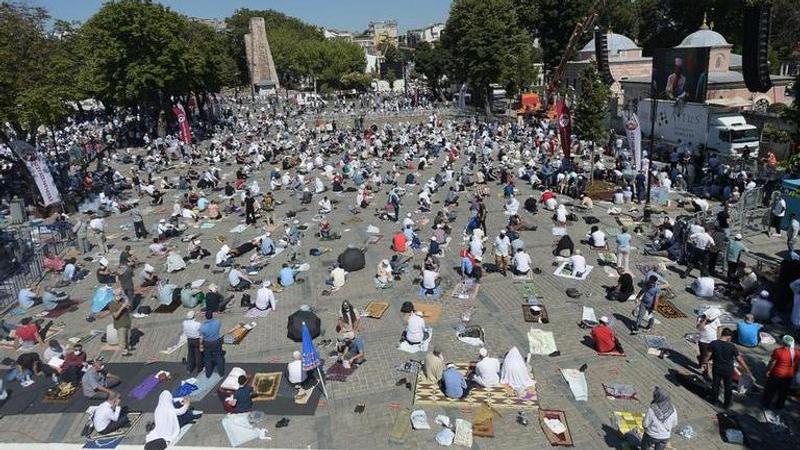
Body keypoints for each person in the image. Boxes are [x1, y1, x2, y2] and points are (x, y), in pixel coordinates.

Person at [709, 328, 750, 409]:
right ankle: (726, 404)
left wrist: (705, 362)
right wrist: (746, 368)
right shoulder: (731, 346)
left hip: (717, 368)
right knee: (728, 387)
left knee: (715, 385)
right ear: (728, 337)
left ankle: (715, 401)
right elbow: (739, 359)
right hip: (728, 369)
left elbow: (708, 354)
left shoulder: (713, 343)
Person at [762, 335, 800, 410]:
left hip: (777, 374)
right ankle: (779, 405)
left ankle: (766, 403)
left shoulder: (778, 351)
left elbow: (772, 362)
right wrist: (794, 371)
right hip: (789, 375)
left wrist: (768, 370)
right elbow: (796, 364)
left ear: (783, 342)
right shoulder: (797, 353)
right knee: (783, 391)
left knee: (771, 389)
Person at [696, 308, 721, 379]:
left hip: (713, 341)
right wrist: (705, 320)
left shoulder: (716, 319)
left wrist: (718, 338)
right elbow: (699, 328)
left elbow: (719, 327)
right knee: (706, 356)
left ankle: (701, 359)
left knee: (710, 356)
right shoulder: (700, 318)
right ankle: (705, 372)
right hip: (704, 341)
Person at [199, 310, 224, 378]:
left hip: (207, 343)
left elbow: (201, 337)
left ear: (205, 317)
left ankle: (208, 373)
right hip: (216, 341)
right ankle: (221, 372)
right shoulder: (218, 322)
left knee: (207, 358)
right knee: (219, 357)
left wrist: (201, 345)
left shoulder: (202, 327)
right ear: (212, 315)